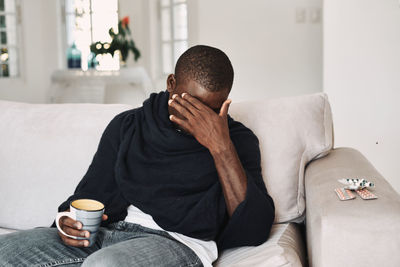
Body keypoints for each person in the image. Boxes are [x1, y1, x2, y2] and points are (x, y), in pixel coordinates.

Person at [0, 45, 275, 267]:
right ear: (171, 83)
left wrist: (220, 146)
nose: (197, 120)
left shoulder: (237, 141)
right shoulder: (129, 125)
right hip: (107, 232)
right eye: (189, 105)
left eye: (210, 111)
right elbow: (87, 197)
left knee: (104, 265)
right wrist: (66, 223)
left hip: (175, 243)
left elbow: (253, 226)